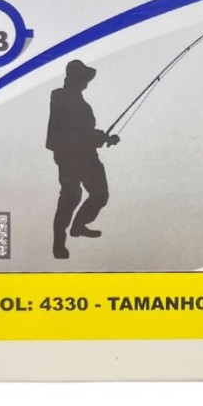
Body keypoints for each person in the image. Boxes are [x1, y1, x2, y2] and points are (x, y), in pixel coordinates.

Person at [45, 59, 120, 259]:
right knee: (72, 197)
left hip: (85, 156)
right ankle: (60, 243)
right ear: (77, 79)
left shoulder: (75, 101)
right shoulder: (62, 98)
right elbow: (74, 131)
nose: (87, 82)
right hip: (71, 157)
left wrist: (103, 138)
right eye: (84, 78)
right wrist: (100, 138)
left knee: (96, 194)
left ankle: (78, 225)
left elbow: (83, 131)